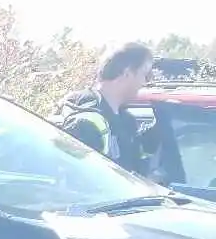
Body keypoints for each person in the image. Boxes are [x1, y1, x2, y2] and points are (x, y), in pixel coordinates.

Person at [55, 42, 161, 176]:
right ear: (127, 73)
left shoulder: (125, 120)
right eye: (144, 75)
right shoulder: (86, 124)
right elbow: (78, 182)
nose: (144, 82)